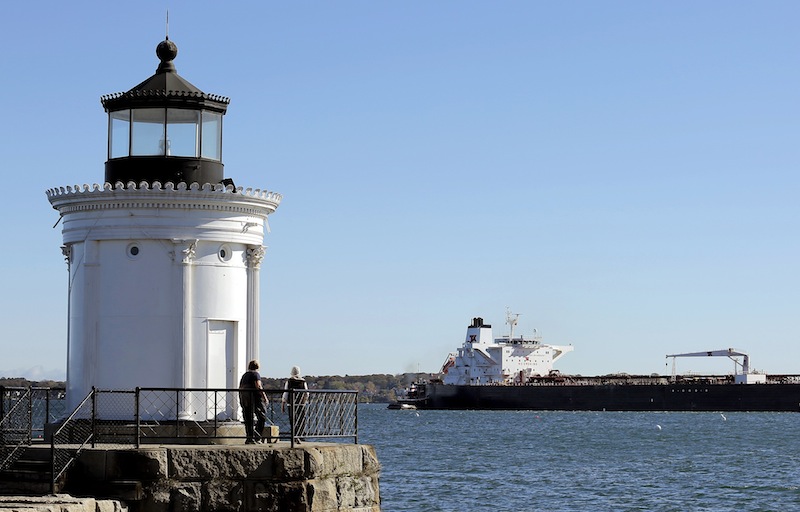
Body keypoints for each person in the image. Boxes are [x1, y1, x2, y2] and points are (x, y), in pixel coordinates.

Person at [239, 359, 268, 444]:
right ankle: (257, 436)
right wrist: (265, 397)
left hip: (245, 399)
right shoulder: (256, 374)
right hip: (255, 399)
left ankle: (249, 438)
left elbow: (240, 387)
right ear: (257, 366)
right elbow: (258, 386)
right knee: (262, 417)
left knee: (248, 419)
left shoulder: (244, 375)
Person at [281, 366, 308, 443]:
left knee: (292, 420)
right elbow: (307, 393)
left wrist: (283, 404)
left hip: (291, 403)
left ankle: (294, 436)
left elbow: (285, 394)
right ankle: (300, 435)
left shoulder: (289, 382)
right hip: (300, 404)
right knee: (301, 420)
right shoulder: (303, 382)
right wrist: (304, 401)